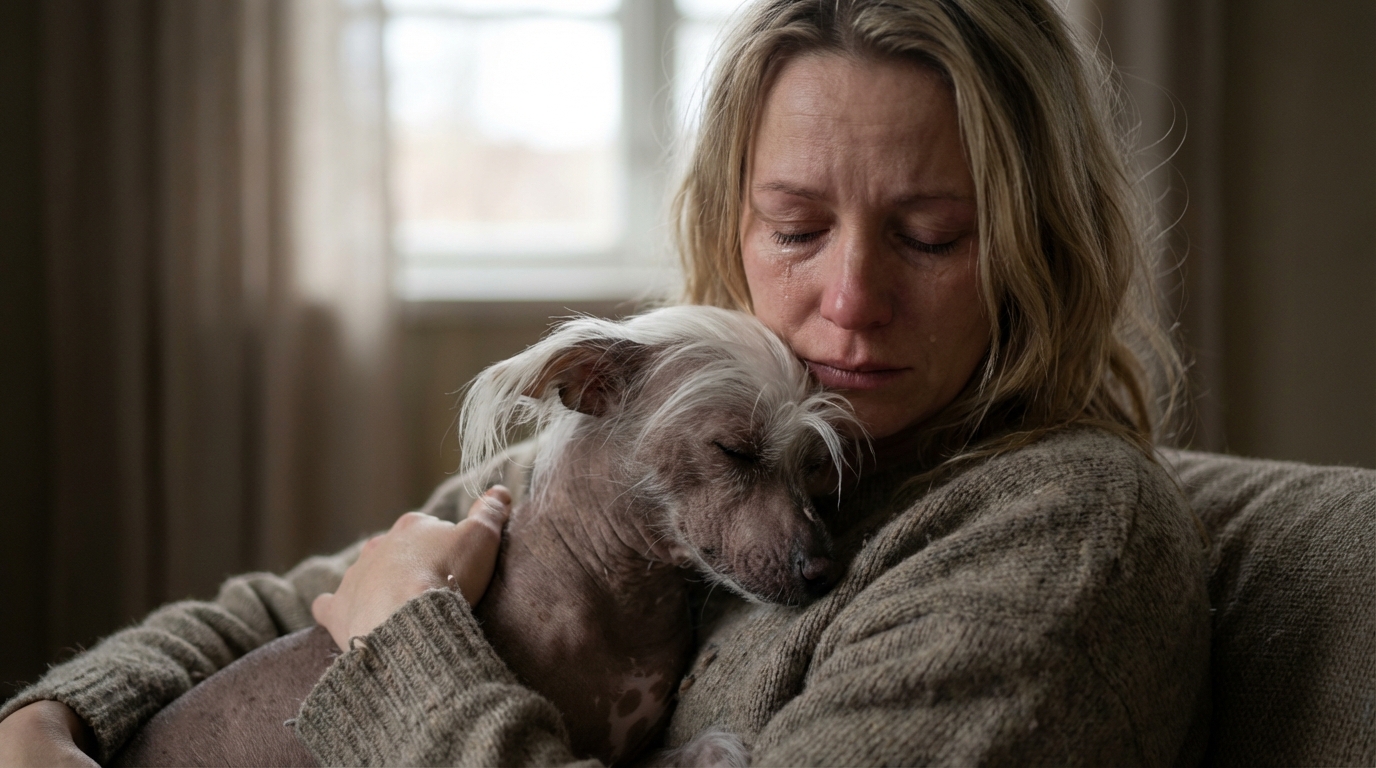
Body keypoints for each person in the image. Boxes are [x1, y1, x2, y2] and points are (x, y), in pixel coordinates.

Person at [0, 0, 1211, 765]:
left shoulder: (1050, 538)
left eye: (931, 235)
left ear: (1039, 242)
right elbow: (302, 605)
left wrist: (404, 655)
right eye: (793, 229)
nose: (847, 302)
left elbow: (382, 619)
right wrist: (53, 721)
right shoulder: (676, 429)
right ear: (727, 227)